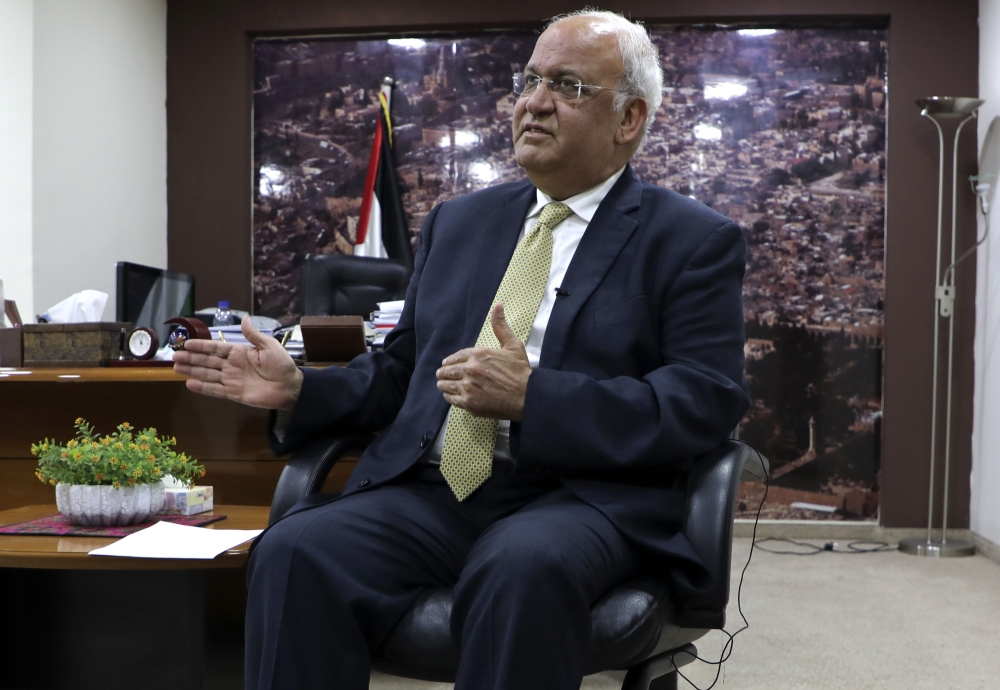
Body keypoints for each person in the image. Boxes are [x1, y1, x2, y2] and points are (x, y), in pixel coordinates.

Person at [174, 10, 750, 690]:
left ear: (628, 120)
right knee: (296, 549)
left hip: (582, 496)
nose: (533, 102)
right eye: (531, 80)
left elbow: (703, 400)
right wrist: (301, 389)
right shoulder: (459, 221)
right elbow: (403, 372)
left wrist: (538, 398)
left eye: (566, 86)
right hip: (436, 490)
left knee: (520, 569)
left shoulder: (690, 241)